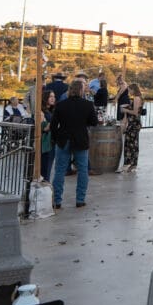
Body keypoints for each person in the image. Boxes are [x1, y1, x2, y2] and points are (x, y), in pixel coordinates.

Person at [50, 78, 98, 208]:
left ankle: (57, 201)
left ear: (70, 90)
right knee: (83, 170)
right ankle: (80, 200)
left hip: (63, 140)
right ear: (81, 91)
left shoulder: (61, 105)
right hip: (81, 139)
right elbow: (94, 122)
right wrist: (83, 123)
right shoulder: (87, 105)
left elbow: (54, 125)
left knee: (59, 171)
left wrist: (55, 139)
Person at [120, 83, 144, 172]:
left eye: (129, 90)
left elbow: (135, 112)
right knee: (131, 143)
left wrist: (125, 109)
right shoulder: (137, 98)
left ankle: (132, 164)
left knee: (132, 144)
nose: (129, 91)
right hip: (133, 123)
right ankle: (131, 164)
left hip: (134, 123)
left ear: (133, 90)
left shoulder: (137, 98)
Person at [40, 91, 55, 183]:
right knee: (45, 168)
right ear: (45, 98)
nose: (53, 98)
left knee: (48, 167)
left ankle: (46, 186)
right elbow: (43, 128)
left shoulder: (50, 110)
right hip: (45, 143)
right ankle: (44, 188)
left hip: (51, 142)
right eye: (50, 96)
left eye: (54, 96)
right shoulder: (42, 112)